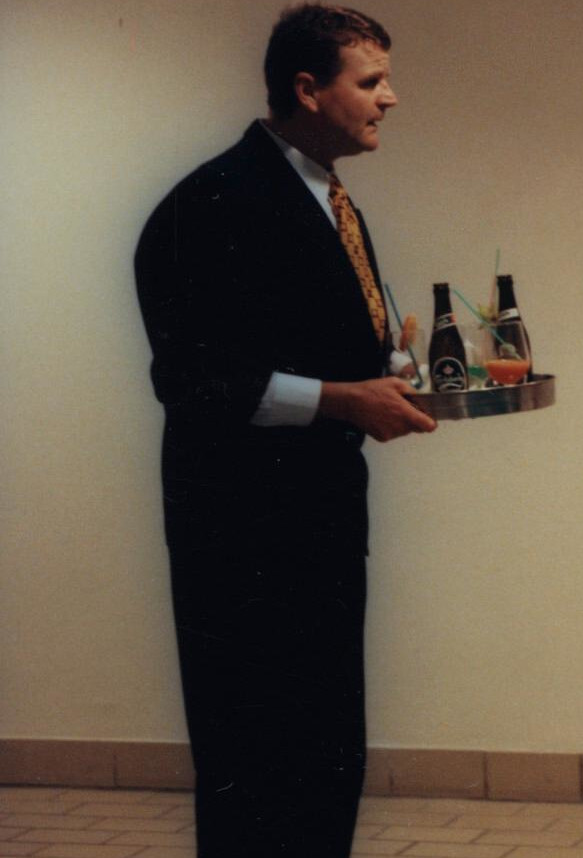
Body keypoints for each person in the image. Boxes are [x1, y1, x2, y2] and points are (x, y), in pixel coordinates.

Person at [133, 4, 435, 854]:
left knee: (325, 756)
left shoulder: (329, 198)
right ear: (307, 89)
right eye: (371, 81)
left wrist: (393, 372)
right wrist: (344, 401)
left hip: (320, 525)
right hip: (241, 539)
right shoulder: (213, 202)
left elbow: (315, 347)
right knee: (257, 760)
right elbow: (193, 383)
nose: (390, 99)